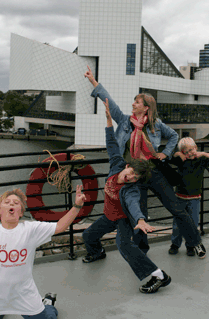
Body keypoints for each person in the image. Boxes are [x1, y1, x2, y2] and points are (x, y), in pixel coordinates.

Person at [84, 65, 207, 259]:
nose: (133, 104)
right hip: (133, 174)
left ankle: (195, 242)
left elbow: (174, 136)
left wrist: (165, 153)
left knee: (176, 207)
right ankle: (142, 251)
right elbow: (110, 101)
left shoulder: (156, 125)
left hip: (153, 171)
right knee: (139, 213)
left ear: (146, 107)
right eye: (134, 101)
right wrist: (93, 80)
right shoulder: (124, 121)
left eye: (137, 102)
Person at [0, 186, 86, 319]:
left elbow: (60, 226)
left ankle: (47, 304)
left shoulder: (30, 230)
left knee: (48, 316)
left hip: (25, 295)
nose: (12, 204)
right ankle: (1, 311)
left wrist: (77, 206)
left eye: (16, 203)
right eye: (7, 202)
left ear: (20, 212)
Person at [82, 99, 172, 294]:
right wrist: (108, 120)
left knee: (123, 245)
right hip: (108, 216)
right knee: (88, 236)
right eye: (131, 172)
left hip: (123, 219)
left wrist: (139, 220)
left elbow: (133, 204)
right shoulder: (117, 164)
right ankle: (97, 253)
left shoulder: (131, 189)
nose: (130, 177)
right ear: (127, 166)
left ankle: (159, 275)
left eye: (134, 178)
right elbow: (111, 143)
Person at [168, 137, 209, 256]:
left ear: (196, 148)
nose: (190, 153)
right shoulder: (180, 160)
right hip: (180, 197)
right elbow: (167, 158)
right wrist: (177, 154)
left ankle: (190, 245)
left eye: (192, 150)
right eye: (186, 152)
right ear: (182, 153)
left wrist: (203, 153)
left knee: (193, 223)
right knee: (177, 223)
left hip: (194, 199)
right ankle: (175, 244)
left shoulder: (201, 160)